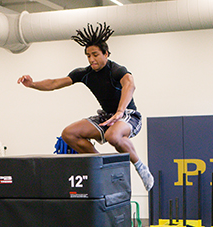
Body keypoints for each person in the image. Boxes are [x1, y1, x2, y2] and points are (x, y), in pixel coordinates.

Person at [17, 22, 154, 191]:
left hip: (128, 115)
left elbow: (130, 85)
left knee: (113, 136)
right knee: (69, 134)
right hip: (106, 116)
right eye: (88, 55)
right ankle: (101, 167)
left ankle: (141, 168)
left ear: (106, 53)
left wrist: (119, 112)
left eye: (95, 55)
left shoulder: (116, 69)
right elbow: (54, 83)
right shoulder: (84, 73)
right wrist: (32, 84)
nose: (91, 59)